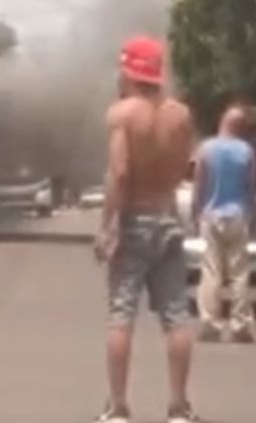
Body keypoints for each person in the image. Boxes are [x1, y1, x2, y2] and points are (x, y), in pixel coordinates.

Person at [93, 36, 201, 423]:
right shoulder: (181, 116)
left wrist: (108, 226)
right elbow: (184, 167)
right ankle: (178, 407)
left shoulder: (122, 115)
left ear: (129, 71)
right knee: (176, 315)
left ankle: (118, 408)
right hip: (169, 217)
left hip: (134, 219)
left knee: (121, 314)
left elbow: (120, 173)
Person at [193, 105, 256, 343]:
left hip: (212, 214)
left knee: (211, 270)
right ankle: (240, 324)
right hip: (238, 214)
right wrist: (254, 215)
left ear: (222, 121)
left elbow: (199, 182)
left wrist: (197, 210)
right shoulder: (246, 151)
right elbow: (251, 187)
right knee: (239, 272)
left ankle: (210, 323)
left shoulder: (206, 148)